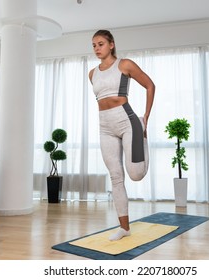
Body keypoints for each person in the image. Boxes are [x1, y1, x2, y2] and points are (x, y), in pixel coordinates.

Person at [89, 30, 155, 241]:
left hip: (127, 122)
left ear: (111, 44)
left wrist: (146, 116)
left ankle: (143, 137)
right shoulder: (92, 73)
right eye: (94, 45)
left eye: (100, 44)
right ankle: (124, 227)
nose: (97, 48)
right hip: (105, 126)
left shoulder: (124, 65)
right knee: (116, 177)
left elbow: (149, 85)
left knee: (135, 174)